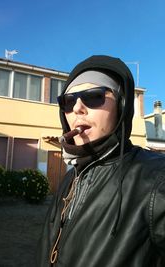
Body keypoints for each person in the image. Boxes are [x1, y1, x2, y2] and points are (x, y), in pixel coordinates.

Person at [36, 55, 165, 266]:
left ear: (122, 107)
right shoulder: (70, 178)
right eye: (68, 102)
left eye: (93, 96)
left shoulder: (157, 178)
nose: (77, 108)